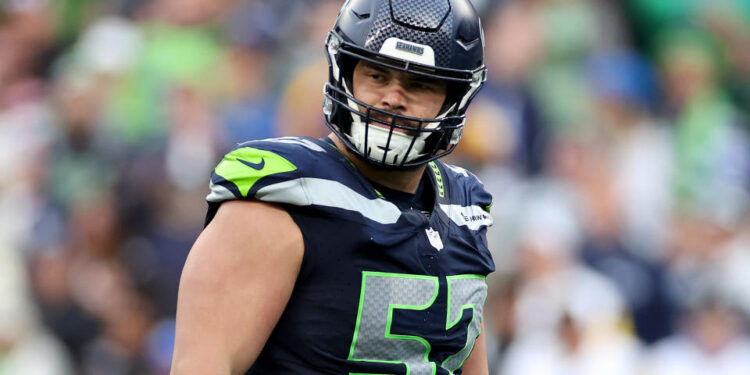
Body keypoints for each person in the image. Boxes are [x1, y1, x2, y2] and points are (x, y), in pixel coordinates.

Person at [171, 0, 494, 373]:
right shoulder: (285, 194)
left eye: (418, 84)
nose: (392, 97)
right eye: (376, 75)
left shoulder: (464, 208)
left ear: (454, 98)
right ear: (345, 71)